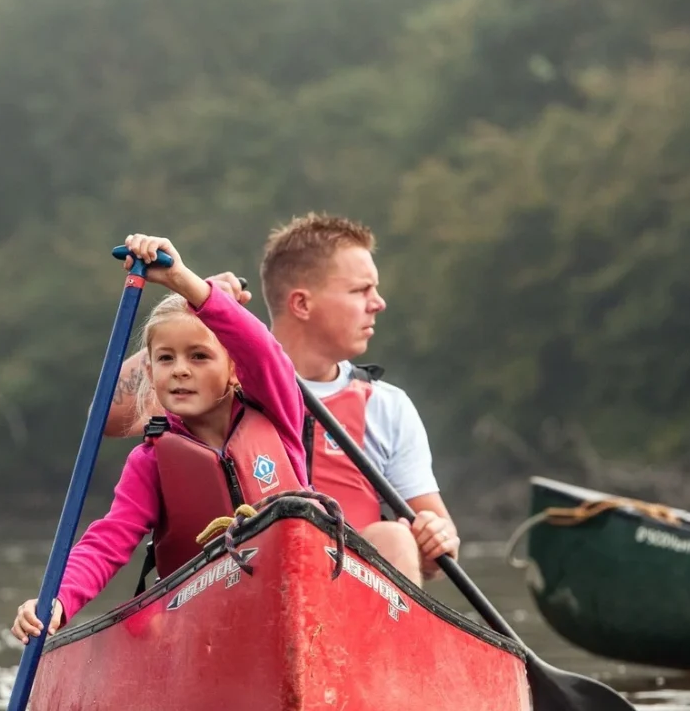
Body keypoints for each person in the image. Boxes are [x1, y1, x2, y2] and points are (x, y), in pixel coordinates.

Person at [106, 214, 458, 585]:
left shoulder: (387, 405)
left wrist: (437, 538)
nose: (378, 303)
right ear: (302, 304)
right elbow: (109, 415)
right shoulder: (210, 382)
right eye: (360, 290)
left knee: (394, 536)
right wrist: (195, 304)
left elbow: (436, 553)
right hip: (233, 585)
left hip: (346, 596)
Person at [11, 234, 307, 644]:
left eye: (199, 357)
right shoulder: (150, 461)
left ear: (234, 370)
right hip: (202, 626)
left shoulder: (277, 411)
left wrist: (182, 280)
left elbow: (263, 351)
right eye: (166, 359)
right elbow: (107, 542)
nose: (180, 370)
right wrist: (57, 599)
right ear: (149, 373)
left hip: (295, 603)